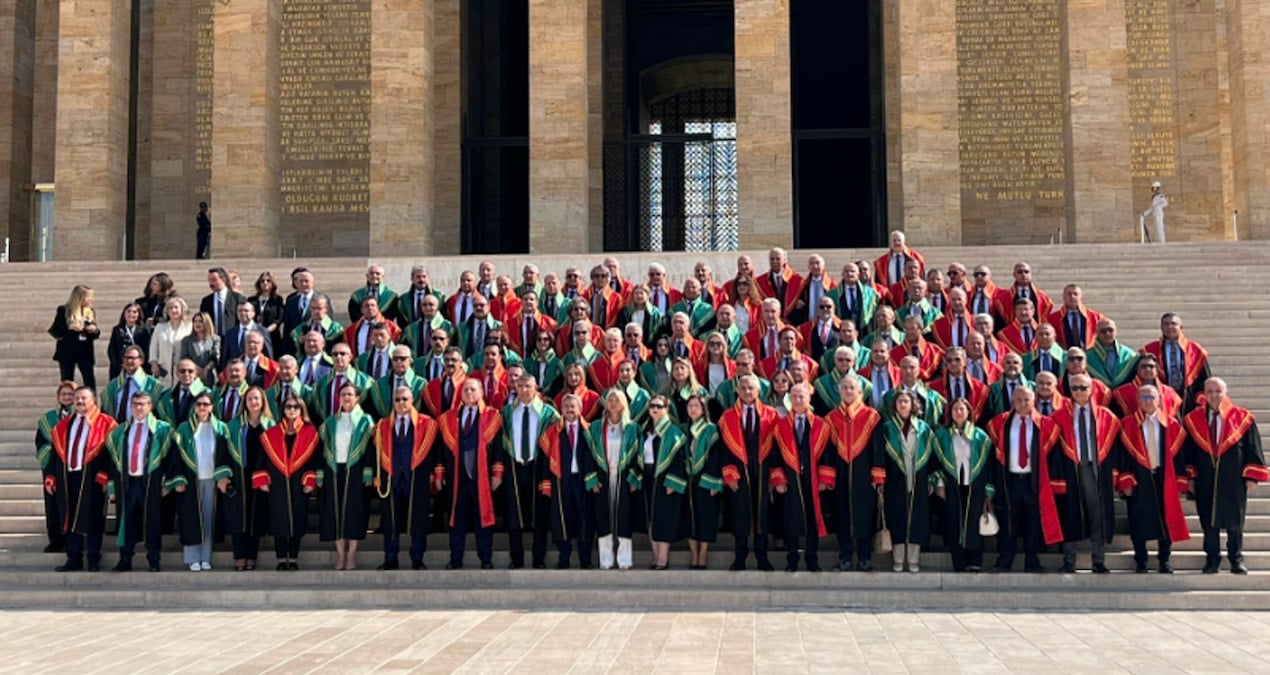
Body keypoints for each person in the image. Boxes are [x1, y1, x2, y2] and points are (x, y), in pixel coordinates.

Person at [1183, 378, 1267, 574]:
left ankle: (1236, 559)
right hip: (1205, 477)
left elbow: (1252, 447)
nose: (1214, 395)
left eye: (1218, 391)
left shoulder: (1243, 417)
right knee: (1207, 519)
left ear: (1225, 392)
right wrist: (1191, 476)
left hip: (1233, 477)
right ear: (1204, 394)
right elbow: (1188, 453)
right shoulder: (1193, 419)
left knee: (1235, 520)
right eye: (1209, 391)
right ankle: (1212, 559)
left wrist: (1252, 475)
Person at [986, 386, 1064, 573]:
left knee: (1033, 521)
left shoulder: (1046, 425)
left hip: (1033, 481)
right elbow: (993, 456)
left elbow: (1053, 458)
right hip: (1009, 480)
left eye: (1026, 400)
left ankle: (1032, 561)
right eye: (1018, 400)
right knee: (1008, 522)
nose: (1022, 404)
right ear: (1013, 401)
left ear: (1034, 401)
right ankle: (1004, 561)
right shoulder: (999, 423)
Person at [1049, 374, 1120, 574]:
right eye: (1075, 388)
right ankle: (1069, 560)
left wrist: (1115, 475)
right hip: (1071, 469)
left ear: (1092, 390)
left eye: (1083, 387)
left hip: (1096, 469)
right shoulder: (1059, 416)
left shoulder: (1106, 416)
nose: (1079, 392)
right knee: (1070, 513)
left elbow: (1115, 449)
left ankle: (1098, 560)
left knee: (1098, 514)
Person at [1117, 383, 1189, 573]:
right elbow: (1122, 456)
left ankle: (1164, 560)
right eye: (1143, 397)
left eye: (1151, 397)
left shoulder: (1172, 424)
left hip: (1164, 477)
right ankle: (1141, 560)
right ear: (1137, 400)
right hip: (1138, 478)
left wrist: (1181, 481)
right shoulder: (1127, 424)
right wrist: (1125, 480)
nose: (1147, 401)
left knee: (1167, 518)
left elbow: (1180, 457)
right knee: (1137, 519)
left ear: (1159, 400)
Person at [104, 392, 173, 573]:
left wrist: (168, 483)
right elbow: (113, 462)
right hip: (127, 482)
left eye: (143, 404)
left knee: (152, 520)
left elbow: (171, 459)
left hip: (150, 482)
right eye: (135, 404)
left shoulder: (162, 429)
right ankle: (125, 559)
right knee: (126, 521)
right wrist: (112, 487)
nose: (139, 408)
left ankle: (154, 560)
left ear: (150, 406)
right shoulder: (120, 431)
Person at [437, 379, 502, 569]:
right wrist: (439, 474)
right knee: (457, 520)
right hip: (457, 477)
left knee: (483, 518)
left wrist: (497, 473)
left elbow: (499, 449)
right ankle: (455, 559)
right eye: (465, 390)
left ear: (481, 392)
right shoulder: (448, 418)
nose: (469, 393)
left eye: (473, 389)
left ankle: (486, 559)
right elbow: (441, 450)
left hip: (481, 476)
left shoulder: (492, 416)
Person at [374, 386, 439, 571]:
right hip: (391, 478)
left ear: (412, 401)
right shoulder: (383, 425)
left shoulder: (427, 424)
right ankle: (390, 558)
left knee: (417, 520)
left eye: (405, 399)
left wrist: (437, 473)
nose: (401, 403)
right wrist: (376, 475)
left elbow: (435, 453)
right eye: (397, 400)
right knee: (390, 521)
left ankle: (417, 558)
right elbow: (376, 452)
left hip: (416, 478)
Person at [822, 376, 882, 571]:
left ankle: (865, 557)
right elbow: (828, 451)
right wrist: (828, 477)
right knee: (841, 515)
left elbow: (877, 449)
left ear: (860, 392)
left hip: (864, 475)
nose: (848, 391)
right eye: (845, 387)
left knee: (865, 515)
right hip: (840, 475)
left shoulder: (872, 416)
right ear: (839, 392)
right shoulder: (831, 418)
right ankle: (845, 556)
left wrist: (877, 476)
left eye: (852, 388)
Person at [719, 376, 778, 571]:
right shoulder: (727, 417)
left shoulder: (771, 414)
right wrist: (729, 473)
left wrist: (775, 475)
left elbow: (777, 447)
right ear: (737, 390)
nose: (747, 391)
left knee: (762, 513)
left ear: (759, 391)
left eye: (751, 388)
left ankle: (762, 557)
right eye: (743, 388)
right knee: (740, 514)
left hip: (763, 469)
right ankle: (740, 557)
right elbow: (723, 448)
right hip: (739, 470)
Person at [501, 375, 559, 569]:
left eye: (528, 386)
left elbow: (556, 443)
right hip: (514, 465)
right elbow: (500, 443)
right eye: (520, 386)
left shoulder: (549, 413)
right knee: (513, 514)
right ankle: (516, 558)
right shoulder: (507, 412)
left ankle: (538, 559)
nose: (524, 390)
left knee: (539, 515)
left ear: (536, 388)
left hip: (539, 466)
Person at [317, 383, 376, 571]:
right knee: (335, 512)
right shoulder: (329, 422)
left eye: (350, 394)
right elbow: (321, 449)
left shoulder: (366, 421)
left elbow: (371, 449)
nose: (347, 398)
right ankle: (341, 554)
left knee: (354, 512)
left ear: (357, 397)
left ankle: (351, 554)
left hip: (356, 470)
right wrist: (320, 474)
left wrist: (368, 471)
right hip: (334, 469)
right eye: (343, 394)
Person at [772, 384, 830, 572]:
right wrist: (778, 479)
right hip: (790, 478)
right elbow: (775, 455)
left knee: (812, 519)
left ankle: (812, 559)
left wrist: (825, 479)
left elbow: (827, 454)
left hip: (813, 479)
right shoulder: (780, 425)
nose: (798, 400)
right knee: (791, 518)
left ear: (809, 398)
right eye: (794, 396)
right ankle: (792, 560)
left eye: (801, 396)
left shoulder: (821, 425)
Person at [257, 394, 319, 570]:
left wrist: (311, 480)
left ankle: (293, 557)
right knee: (278, 519)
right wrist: (262, 479)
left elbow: (315, 460)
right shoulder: (271, 433)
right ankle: (280, 558)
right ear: (283, 410)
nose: (292, 410)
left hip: (299, 483)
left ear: (301, 409)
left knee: (298, 519)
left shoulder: (310, 432)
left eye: (295, 407)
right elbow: (261, 460)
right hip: (277, 483)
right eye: (288, 407)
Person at [168, 391, 228, 571]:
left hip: (211, 480)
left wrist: (222, 476)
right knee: (191, 519)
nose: (202, 407)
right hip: (191, 480)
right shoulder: (184, 428)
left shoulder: (220, 428)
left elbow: (225, 454)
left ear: (212, 407)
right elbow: (176, 456)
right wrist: (178, 479)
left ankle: (205, 557)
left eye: (206, 404)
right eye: (199, 404)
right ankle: (193, 558)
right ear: (194, 407)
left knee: (208, 520)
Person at [933, 398, 993, 572]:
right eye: (955, 409)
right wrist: (939, 484)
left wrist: (989, 490)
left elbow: (989, 464)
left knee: (974, 522)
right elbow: (936, 461)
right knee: (954, 522)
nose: (958, 412)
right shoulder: (942, 435)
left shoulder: (980, 435)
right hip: (952, 484)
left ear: (969, 412)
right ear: (950, 413)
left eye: (962, 409)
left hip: (975, 484)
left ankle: (975, 560)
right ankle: (959, 562)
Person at [218, 386, 273, 571]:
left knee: (255, 517)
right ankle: (239, 556)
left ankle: (251, 556)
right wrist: (223, 476)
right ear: (245, 402)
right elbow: (223, 453)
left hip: (261, 478)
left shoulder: (270, 425)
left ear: (263, 401)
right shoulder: (233, 425)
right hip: (238, 476)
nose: (253, 402)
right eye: (250, 398)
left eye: (257, 398)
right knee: (238, 518)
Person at [880, 390, 936, 573]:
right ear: (894, 405)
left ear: (913, 405)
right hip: (895, 479)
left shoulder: (924, 428)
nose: (903, 404)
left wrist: (932, 479)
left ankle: (913, 559)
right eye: (899, 401)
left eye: (906, 401)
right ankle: (898, 559)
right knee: (897, 517)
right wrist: (880, 480)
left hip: (918, 478)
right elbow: (880, 456)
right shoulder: (887, 428)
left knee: (917, 519)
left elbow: (932, 456)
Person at [540, 394, 594, 568]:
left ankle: (585, 559)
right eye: (566, 406)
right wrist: (546, 484)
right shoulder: (553, 432)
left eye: (573, 406)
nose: (570, 409)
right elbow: (545, 460)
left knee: (584, 519)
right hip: (560, 480)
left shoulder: (590, 430)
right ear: (561, 409)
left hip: (583, 480)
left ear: (580, 409)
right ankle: (564, 558)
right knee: (562, 519)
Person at [638, 395, 688, 570]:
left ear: (666, 409)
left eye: (659, 406)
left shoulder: (674, 432)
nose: (655, 409)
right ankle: (655, 555)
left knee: (664, 517)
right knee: (650, 517)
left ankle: (662, 557)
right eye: (652, 406)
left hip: (665, 477)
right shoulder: (645, 430)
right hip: (647, 476)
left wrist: (672, 483)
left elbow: (679, 460)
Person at [35, 382, 76, 553]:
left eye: (70, 394)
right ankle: (56, 540)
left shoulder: (81, 416)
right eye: (63, 394)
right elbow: (40, 442)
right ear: (58, 397)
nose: (67, 397)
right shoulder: (49, 418)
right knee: (53, 504)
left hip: (74, 466)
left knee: (72, 503)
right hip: (53, 466)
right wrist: (53, 456)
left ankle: (73, 541)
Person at [1142, 312, 1210, 413]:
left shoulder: (1195, 350)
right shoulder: (1150, 350)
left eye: (1173, 323)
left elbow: (1206, 379)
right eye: (1166, 324)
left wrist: (1200, 402)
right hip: (1162, 400)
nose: (1170, 326)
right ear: (1161, 327)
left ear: (1181, 327)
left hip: (1189, 400)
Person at [49, 285, 100, 390]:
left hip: (85, 350)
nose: (91, 299)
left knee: (89, 380)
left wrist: (94, 330)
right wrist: (69, 327)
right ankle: (67, 399)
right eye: (88, 297)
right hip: (68, 350)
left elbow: (96, 334)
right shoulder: (64, 310)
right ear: (79, 297)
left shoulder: (90, 311)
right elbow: (55, 331)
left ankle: (91, 399)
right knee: (67, 380)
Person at [102, 346, 164, 423]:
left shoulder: (154, 385)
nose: (129, 361)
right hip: (118, 428)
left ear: (141, 360)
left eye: (132, 358)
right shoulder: (113, 385)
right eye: (126, 358)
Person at [149, 297, 193, 386]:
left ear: (182, 309)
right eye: (170, 308)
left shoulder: (189, 327)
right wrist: (154, 364)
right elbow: (153, 347)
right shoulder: (160, 327)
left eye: (176, 307)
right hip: (164, 370)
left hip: (183, 371)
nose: (173, 310)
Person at [107, 304, 153, 382]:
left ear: (139, 314)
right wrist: (119, 364)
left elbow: (147, 349)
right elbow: (112, 349)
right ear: (124, 313)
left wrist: (140, 364)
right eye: (129, 311)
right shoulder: (117, 330)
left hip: (139, 368)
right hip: (120, 368)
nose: (131, 314)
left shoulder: (144, 330)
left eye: (134, 312)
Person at [200, 266, 248, 336]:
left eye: (214, 280)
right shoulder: (206, 301)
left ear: (223, 280)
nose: (211, 283)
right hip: (213, 338)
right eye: (209, 280)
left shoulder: (237, 298)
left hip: (232, 337)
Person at [179, 311, 221, 388]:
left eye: (200, 321)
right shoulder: (186, 340)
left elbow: (216, 357)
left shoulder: (215, 339)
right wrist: (197, 369)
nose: (197, 324)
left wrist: (206, 369)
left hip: (210, 377)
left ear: (207, 323)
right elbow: (184, 357)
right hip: (192, 377)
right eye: (195, 321)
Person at [248, 271, 286, 355]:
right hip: (255, 333)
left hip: (272, 335)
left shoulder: (277, 299)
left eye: (268, 281)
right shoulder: (252, 300)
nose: (265, 283)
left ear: (272, 283)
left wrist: (266, 331)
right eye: (262, 281)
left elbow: (279, 319)